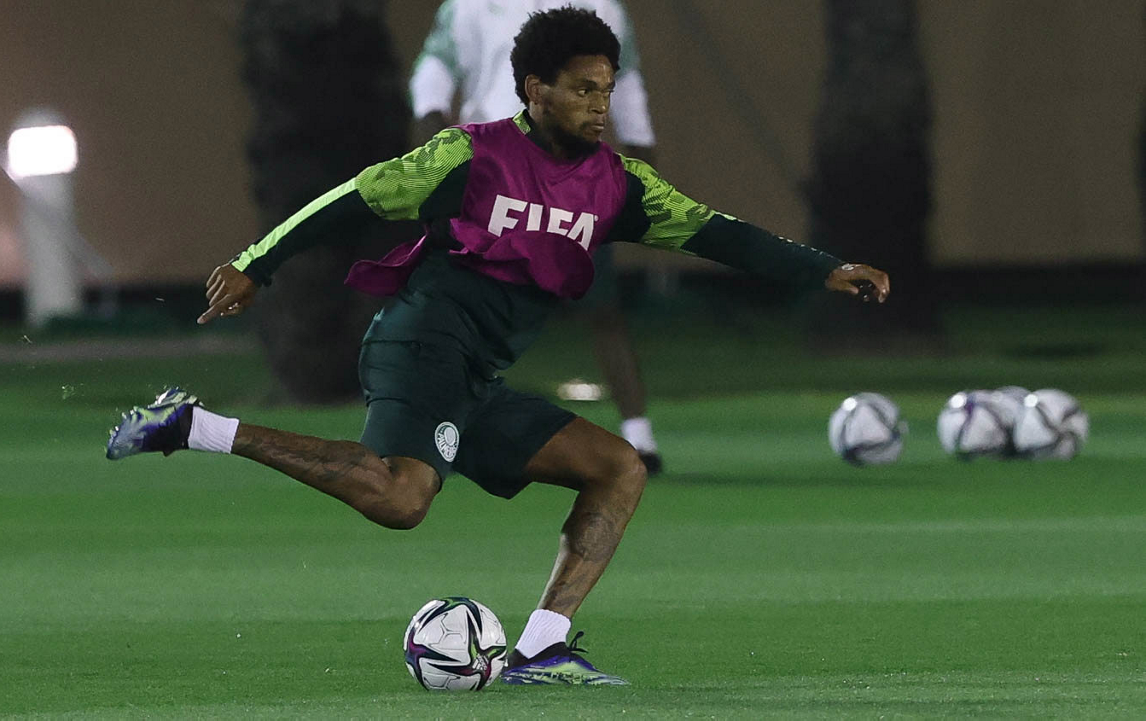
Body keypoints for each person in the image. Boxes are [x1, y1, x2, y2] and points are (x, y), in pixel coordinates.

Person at [106, 6, 889, 686]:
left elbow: (720, 233)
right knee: (403, 498)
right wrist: (256, 263)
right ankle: (196, 426)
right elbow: (352, 198)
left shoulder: (619, 186)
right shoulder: (468, 155)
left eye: (607, 88)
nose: (600, 104)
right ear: (534, 89)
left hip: (476, 373)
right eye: (583, 89)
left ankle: (541, 647)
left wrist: (824, 269)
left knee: (617, 467)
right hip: (420, 341)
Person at [410, 0, 666, 473]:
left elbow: (625, 79)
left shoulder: (601, 6)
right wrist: (435, 133)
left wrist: (641, 147)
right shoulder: (471, 5)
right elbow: (435, 67)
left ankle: (639, 436)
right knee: (469, 306)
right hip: (495, 172)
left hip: (572, 173)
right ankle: (442, 430)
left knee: (601, 306)